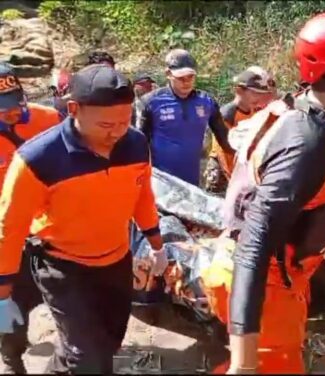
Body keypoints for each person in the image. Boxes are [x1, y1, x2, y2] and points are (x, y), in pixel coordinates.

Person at [205, 10, 325, 374]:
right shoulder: (306, 145)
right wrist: (245, 361)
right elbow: (253, 246)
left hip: (288, 275)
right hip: (262, 283)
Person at [0, 64, 165, 373]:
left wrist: (157, 244)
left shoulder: (134, 143)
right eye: (106, 124)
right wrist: (1, 292)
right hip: (61, 263)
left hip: (114, 260)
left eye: (124, 120)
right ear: (74, 109)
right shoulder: (37, 159)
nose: (117, 132)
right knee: (85, 357)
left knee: (106, 345)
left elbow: (142, 195)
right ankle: (12, 358)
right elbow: (9, 227)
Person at [0, 63, 62, 374]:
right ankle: (12, 358)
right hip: (9, 234)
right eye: (2, 109)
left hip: (53, 227)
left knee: (67, 295)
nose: (11, 113)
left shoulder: (48, 119)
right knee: (11, 302)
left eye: (15, 104)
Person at [137, 49, 232, 186]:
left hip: (194, 180)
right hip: (161, 181)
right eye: (181, 78)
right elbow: (139, 142)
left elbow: (224, 137)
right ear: (168, 74)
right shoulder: (150, 102)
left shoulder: (206, 101)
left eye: (190, 77)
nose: (186, 82)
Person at [202, 66, 277, 195]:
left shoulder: (256, 111)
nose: (258, 98)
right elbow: (225, 150)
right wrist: (233, 177)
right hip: (222, 169)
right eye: (254, 93)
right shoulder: (227, 114)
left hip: (243, 166)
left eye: (261, 94)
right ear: (239, 90)